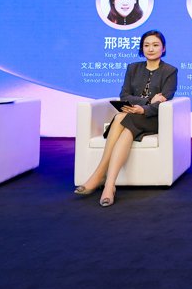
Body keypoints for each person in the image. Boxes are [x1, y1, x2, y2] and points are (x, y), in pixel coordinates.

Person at [75, 30, 178, 207]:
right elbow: (124, 96)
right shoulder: (133, 68)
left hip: (153, 118)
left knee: (121, 117)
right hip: (132, 117)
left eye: (155, 45)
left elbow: (164, 99)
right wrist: (147, 100)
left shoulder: (170, 71)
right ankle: (109, 185)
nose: (150, 49)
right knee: (125, 121)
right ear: (141, 48)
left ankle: (99, 175)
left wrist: (143, 109)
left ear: (163, 48)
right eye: (146, 45)